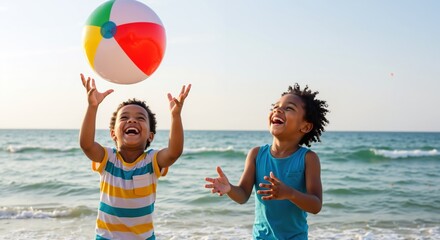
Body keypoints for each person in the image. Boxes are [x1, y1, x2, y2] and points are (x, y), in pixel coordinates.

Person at [205, 83, 329, 239]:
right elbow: (243, 195)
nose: (278, 110)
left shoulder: (308, 158)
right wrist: (229, 188)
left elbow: (316, 205)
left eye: (289, 108)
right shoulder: (256, 154)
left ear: (305, 126)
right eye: (275, 107)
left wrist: (289, 193)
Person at [79, 73, 191, 240]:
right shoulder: (108, 158)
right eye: (124, 118)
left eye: (140, 118)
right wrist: (92, 107)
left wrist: (175, 116)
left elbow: (174, 152)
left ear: (150, 136)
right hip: (106, 237)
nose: (132, 121)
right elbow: (86, 145)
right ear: (113, 134)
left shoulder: (152, 161)